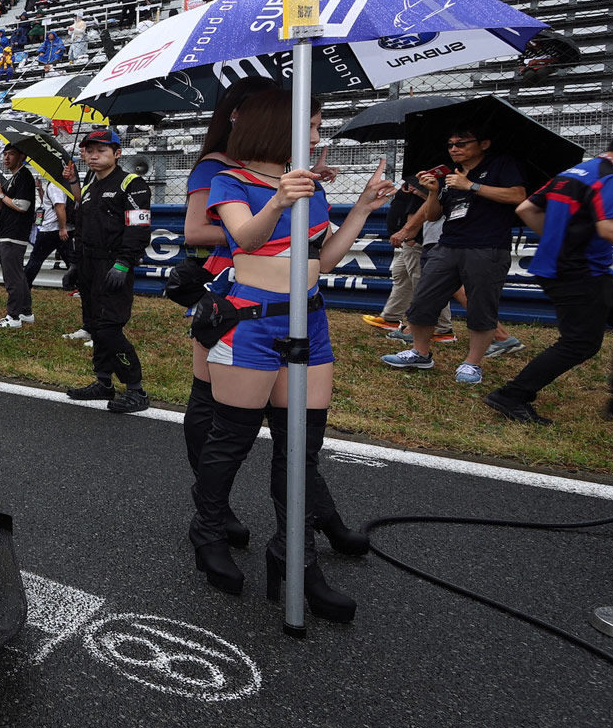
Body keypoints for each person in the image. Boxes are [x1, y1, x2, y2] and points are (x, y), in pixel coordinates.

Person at [187, 89, 392, 620]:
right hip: (249, 324)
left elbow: (324, 257)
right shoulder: (231, 182)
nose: (319, 137)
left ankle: (294, 557)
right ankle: (207, 532)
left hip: (311, 321)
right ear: (279, 127)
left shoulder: (310, 189)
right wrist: (279, 198)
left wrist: (364, 209)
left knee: (299, 451)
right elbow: (245, 240)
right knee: (229, 440)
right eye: (312, 126)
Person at [176, 76, 279, 548]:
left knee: (271, 414)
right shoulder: (216, 168)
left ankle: (315, 513)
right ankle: (211, 506)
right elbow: (195, 231)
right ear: (241, 115)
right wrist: (254, 226)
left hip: (266, 291)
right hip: (225, 290)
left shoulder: (268, 168)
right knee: (209, 402)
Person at [484, 126, 613, 423]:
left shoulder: (577, 171)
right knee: (580, 343)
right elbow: (609, 228)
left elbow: (526, 209)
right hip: (580, 271)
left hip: (570, 267)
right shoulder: (610, 177)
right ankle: (512, 395)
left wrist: (557, 241)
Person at [383, 125, 528, 383]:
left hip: (487, 245)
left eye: (461, 143)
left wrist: (471, 186)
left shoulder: (500, 165)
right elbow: (433, 215)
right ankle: (420, 352)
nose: (454, 149)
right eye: (450, 144)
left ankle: (472, 364)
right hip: (448, 243)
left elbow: (518, 195)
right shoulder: (450, 174)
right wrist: (433, 192)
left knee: (481, 304)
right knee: (424, 298)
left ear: (483, 144)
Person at [63, 130, 152, 411]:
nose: (93, 155)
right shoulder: (89, 187)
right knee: (94, 326)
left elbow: (138, 229)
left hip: (114, 265)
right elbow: (84, 230)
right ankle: (104, 383)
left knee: (109, 328)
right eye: (89, 150)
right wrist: (76, 264)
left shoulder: (132, 184)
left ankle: (136, 390)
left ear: (117, 153)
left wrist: (124, 263)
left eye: (101, 150)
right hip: (89, 266)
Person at [366, 181, 454, 340]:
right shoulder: (416, 186)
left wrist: (410, 235)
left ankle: (442, 328)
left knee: (426, 283)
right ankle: (391, 317)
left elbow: (424, 209)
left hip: (416, 240)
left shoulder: (433, 185)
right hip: (411, 240)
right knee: (402, 275)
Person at [0, 147, 37, 330]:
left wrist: (1, 195)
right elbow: (6, 206)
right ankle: (26, 312)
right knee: (18, 275)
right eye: (5, 154)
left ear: (22, 156)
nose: (6, 158)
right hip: (6, 233)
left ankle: (13, 316)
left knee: (12, 278)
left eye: (11, 154)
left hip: (14, 235)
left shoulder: (24, 177)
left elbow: (22, 206)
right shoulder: (13, 178)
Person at [25, 173, 72, 287]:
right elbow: (48, 204)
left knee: (35, 260)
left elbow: (59, 206)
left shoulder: (55, 186)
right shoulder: (64, 185)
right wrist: (40, 189)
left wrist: (62, 229)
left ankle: (24, 285)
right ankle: (78, 285)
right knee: (71, 261)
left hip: (52, 230)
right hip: (62, 229)